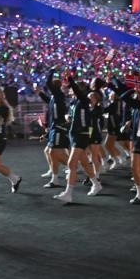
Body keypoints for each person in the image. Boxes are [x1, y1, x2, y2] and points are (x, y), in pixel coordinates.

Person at [53, 74, 103, 204]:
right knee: (85, 163)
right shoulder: (75, 102)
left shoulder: (84, 100)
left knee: (71, 164)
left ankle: (68, 193)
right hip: (74, 134)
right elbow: (75, 118)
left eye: (72, 88)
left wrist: (70, 78)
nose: (70, 90)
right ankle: (96, 184)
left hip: (81, 135)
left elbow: (76, 90)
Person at [36, 70, 69, 189]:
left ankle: (73, 166)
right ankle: (54, 178)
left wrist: (52, 70)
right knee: (51, 152)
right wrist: (40, 93)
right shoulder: (54, 97)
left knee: (53, 152)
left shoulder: (58, 95)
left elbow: (47, 82)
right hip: (54, 128)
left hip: (58, 128)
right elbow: (48, 100)